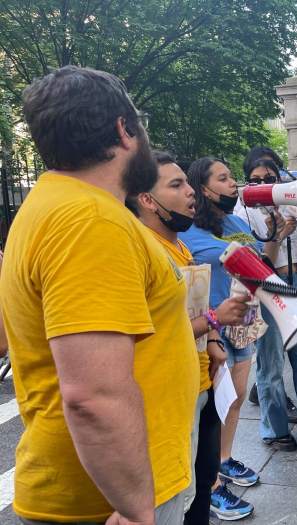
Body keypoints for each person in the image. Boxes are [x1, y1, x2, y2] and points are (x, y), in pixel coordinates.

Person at [0, 65, 198, 524]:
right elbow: (93, 394)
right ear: (123, 130)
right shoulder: (90, 221)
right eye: (141, 124)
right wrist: (135, 510)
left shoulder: (58, 206)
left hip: (108, 488)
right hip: (109, 499)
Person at [125, 151, 252, 523]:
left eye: (188, 184)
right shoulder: (144, 249)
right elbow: (147, 330)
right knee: (178, 498)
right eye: (176, 185)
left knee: (201, 484)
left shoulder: (179, 247)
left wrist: (212, 339)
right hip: (169, 399)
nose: (190, 193)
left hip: (201, 383)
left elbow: (191, 313)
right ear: (147, 200)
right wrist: (215, 317)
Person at [181, 156, 278, 520]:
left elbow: (260, 267)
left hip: (244, 317)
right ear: (204, 188)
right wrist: (207, 333)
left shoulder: (236, 221)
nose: (232, 184)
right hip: (212, 326)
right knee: (212, 408)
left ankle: (223, 460)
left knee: (234, 400)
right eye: (223, 179)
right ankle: (210, 486)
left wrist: (275, 239)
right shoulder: (186, 230)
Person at [237, 157, 297, 459]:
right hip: (267, 290)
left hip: (295, 283)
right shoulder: (242, 213)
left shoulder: (289, 203)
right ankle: (275, 430)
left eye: (269, 176)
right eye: (256, 179)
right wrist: (276, 236)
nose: (263, 182)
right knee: (270, 366)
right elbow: (254, 265)